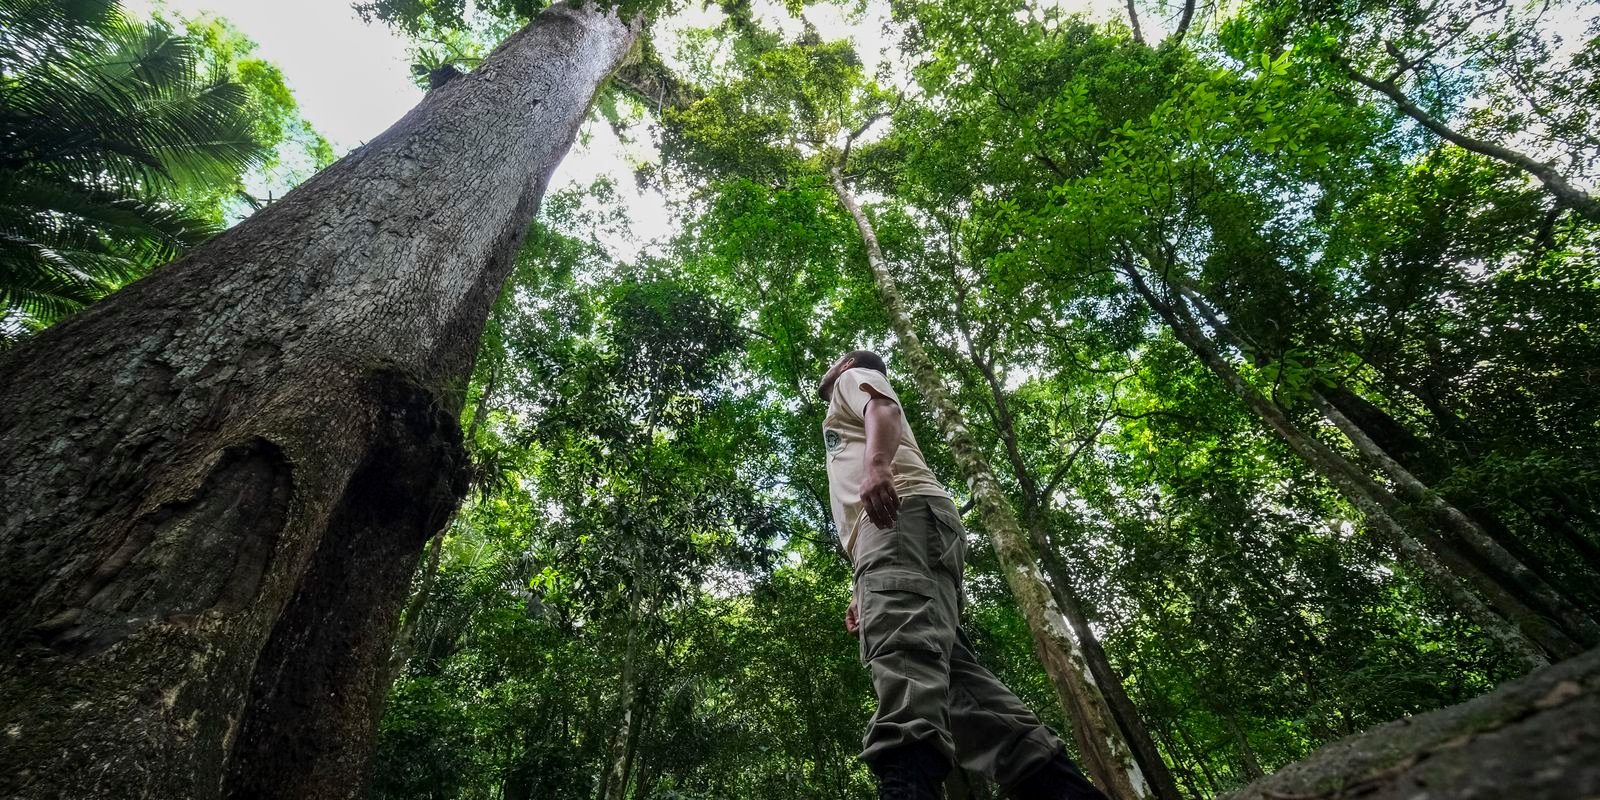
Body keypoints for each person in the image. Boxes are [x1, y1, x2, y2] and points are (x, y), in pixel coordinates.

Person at [817, 350, 1110, 800]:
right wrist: (864, 586)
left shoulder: (853, 377)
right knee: (960, 692)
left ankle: (907, 786)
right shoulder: (841, 406)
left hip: (898, 518)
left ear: (847, 363)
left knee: (903, 652)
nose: (829, 368)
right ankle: (1061, 789)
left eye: (835, 360)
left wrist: (878, 465)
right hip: (899, 534)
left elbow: (884, 407)